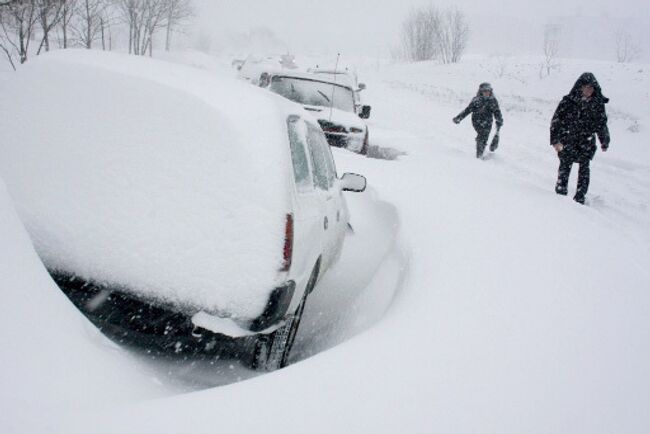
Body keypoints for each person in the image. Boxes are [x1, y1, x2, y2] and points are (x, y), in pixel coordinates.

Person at [550, 72, 610, 204]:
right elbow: (556, 121)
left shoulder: (597, 104)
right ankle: (560, 192)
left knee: (584, 169)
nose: (589, 90)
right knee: (565, 166)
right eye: (586, 87)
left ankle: (580, 197)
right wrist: (556, 141)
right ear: (580, 87)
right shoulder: (568, 101)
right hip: (568, 139)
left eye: (591, 88)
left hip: (586, 141)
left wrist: (604, 140)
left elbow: (601, 124)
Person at [453, 82, 504, 158]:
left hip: (488, 122)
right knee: (481, 135)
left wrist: (499, 120)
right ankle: (479, 155)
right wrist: (459, 117)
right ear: (481, 91)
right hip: (477, 121)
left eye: (488, 91)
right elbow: (468, 110)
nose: (487, 92)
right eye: (485, 91)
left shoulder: (493, 101)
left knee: (485, 136)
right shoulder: (476, 100)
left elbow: (497, 112)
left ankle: (480, 151)